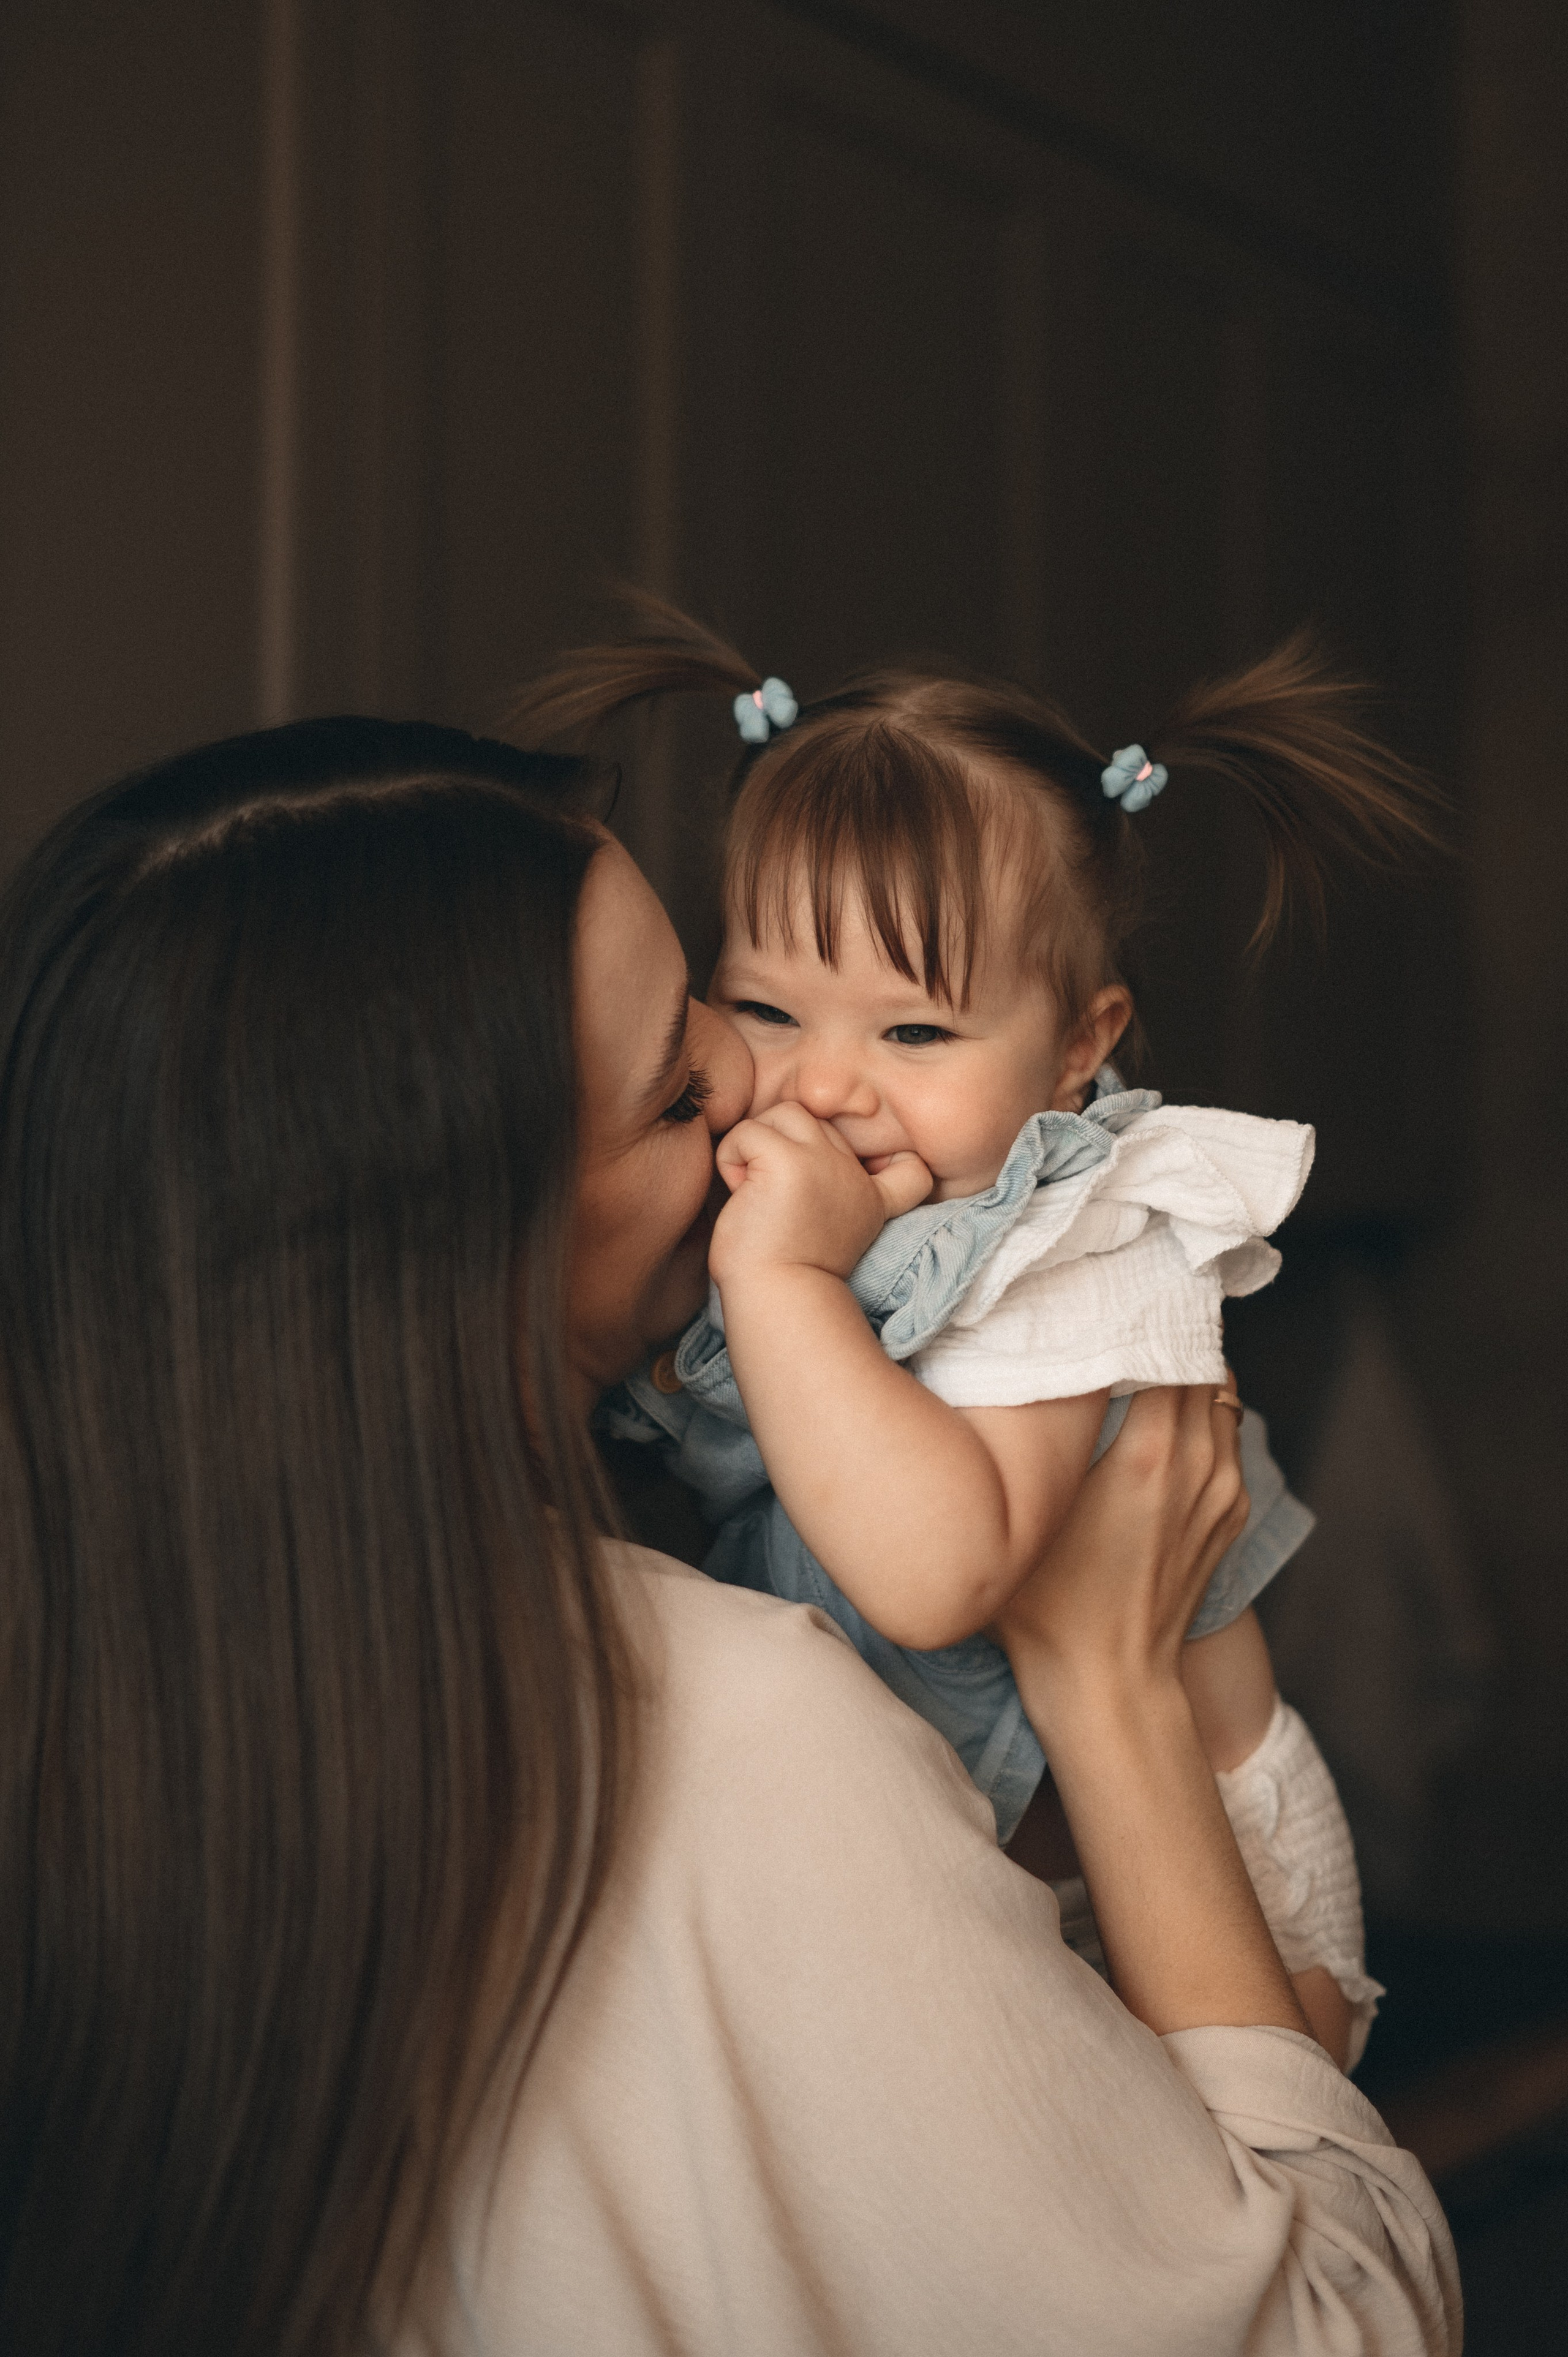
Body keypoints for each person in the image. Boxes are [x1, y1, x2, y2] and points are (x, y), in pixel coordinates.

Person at [0, 717, 1458, 2356]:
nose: (775, 1082)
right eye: (688, 1074)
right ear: (478, 1256)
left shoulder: (116, 1725)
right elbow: (1339, 2330)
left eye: (710, 992)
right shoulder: (731, 1733)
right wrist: (1109, 1686)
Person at [513, 602, 1439, 2068]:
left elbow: (938, 1569)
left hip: (1209, 1868)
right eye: (764, 1004)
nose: (821, 1087)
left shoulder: (1075, 1239)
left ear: (1078, 1043)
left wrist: (780, 1283)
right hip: (974, 1851)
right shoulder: (797, 1198)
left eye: (914, 1034)